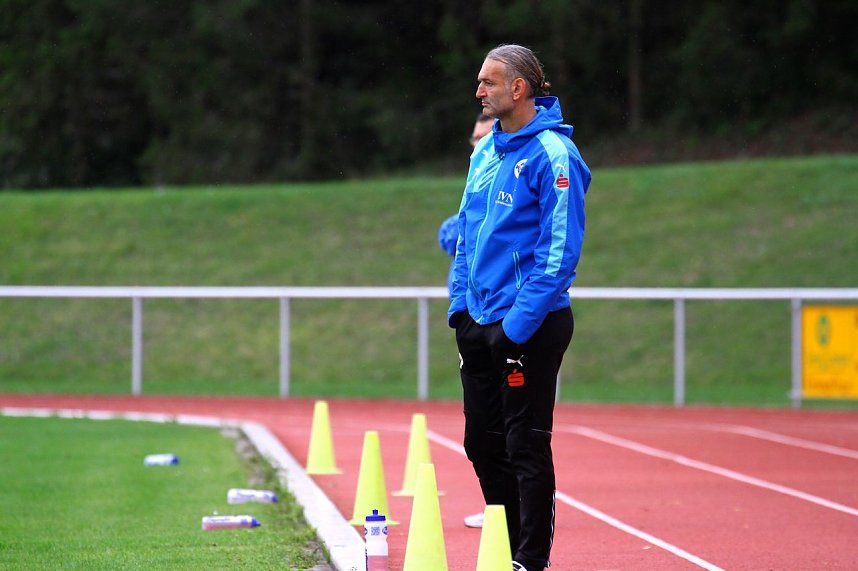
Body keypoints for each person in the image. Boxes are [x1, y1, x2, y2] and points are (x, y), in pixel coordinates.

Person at [447, 44, 591, 571]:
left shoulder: (555, 155)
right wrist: (460, 310)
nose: (479, 90)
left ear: (519, 88)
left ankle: (529, 561)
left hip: (529, 326)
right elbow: (466, 234)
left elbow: (558, 254)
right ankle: (503, 548)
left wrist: (516, 326)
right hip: (479, 321)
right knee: (480, 443)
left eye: (488, 82)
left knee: (524, 447)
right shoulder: (485, 151)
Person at [437, 112, 495, 530]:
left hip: (504, 317)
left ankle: (517, 514)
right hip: (471, 316)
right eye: (472, 138)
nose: (474, 146)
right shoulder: (475, 179)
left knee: (516, 428)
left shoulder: (509, 175)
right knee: (479, 432)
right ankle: (498, 504)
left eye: (482, 137)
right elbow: (450, 237)